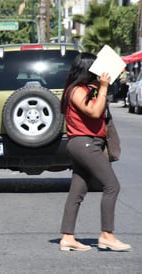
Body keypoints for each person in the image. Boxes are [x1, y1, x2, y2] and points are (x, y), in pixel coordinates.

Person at [59, 53, 131, 252]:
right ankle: (107, 235)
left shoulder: (84, 89)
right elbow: (94, 112)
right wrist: (104, 87)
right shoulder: (76, 90)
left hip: (86, 144)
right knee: (112, 185)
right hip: (85, 143)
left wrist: (102, 87)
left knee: (77, 191)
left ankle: (67, 237)